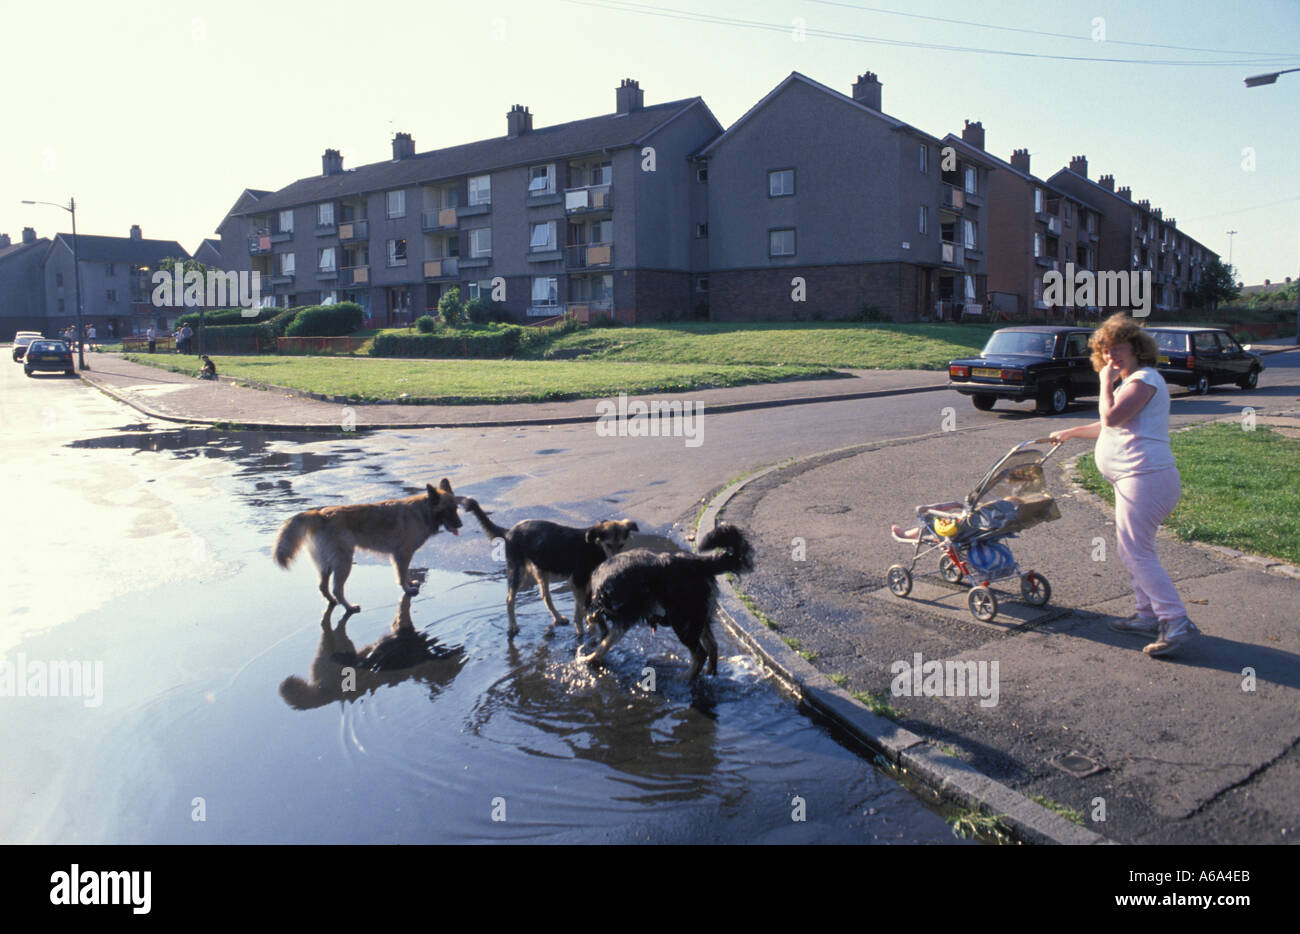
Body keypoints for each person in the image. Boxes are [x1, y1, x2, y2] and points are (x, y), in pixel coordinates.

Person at [1048, 312, 1196, 657]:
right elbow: (1114, 426)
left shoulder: (1143, 379)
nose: (1112, 355)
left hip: (1145, 478)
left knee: (1137, 551)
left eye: (1118, 348)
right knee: (1130, 549)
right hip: (1136, 479)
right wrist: (1071, 432)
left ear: (1137, 347)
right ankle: (1147, 615)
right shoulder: (1133, 382)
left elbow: (1111, 417)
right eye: (1106, 349)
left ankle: (1175, 620)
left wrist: (1103, 383)